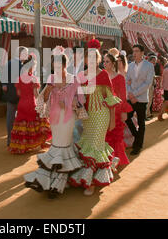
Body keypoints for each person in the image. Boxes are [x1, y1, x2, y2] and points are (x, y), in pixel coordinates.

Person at [24, 48, 85, 199]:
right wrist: (48, 89)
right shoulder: (51, 78)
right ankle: (45, 181)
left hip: (68, 118)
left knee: (63, 148)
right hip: (55, 118)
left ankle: (57, 185)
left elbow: (81, 100)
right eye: (54, 67)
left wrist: (70, 104)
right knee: (56, 147)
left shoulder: (73, 79)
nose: (56, 69)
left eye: (58, 66)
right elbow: (43, 99)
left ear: (65, 65)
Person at [69, 39, 121, 196]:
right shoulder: (80, 75)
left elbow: (110, 98)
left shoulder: (104, 75)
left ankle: (90, 182)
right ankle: (108, 164)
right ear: (85, 59)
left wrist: (112, 119)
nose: (90, 59)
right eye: (88, 57)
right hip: (87, 116)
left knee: (95, 144)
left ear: (98, 58)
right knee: (91, 144)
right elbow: (73, 94)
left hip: (101, 114)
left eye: (94, 57)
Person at [8, 54, 51, 154]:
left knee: (23, 126)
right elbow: (36, 95)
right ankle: (42, 143)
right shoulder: (34, 79)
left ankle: (21, 146)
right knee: (40, 123)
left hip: (21, 104)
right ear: (31, 67)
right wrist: (42, 101)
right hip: (31, 104)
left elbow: (18, 93)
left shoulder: (20, 78)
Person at [124, 44, 155, 156]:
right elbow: (127, 80)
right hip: (130, 97)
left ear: (142, 53)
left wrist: (134, 94)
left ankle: (138, 145)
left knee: (141, 122)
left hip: (141, 99)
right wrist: (130, 94)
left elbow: (147, 83)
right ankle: (137, 137)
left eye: (137, 51)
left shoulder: (149, 66)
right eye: (133, 51)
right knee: (127, 117)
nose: (135, 53)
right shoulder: (131, 65)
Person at [104, 51, 132, 169]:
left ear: (113, 63)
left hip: (117, 111)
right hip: (104, 110)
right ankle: (107, 159)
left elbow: (123, 95)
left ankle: (117, 158)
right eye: (104, 62)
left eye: (107, 62)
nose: (105, 64)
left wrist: (124, 112)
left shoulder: (119, 77)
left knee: (116, 135)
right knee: (105, 135)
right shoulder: (102, 75)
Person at [2, 46, 28, 147]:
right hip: (18, 95)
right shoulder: (20, 65)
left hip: (11, 94)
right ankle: (19, 139)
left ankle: (10, 139)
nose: (27, 55)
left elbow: (3, 76)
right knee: (20, 117)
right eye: (25, 53)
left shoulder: (10, 63)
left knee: (10, 116)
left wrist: (4, 85)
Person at [146, 55, 157, 120]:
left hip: (149, 85)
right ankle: (146, 115)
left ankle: (148, 114)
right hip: (149, 85)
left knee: (149, 100)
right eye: (154, 61)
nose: (155, 62)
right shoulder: (149, 66)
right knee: (148, 100)